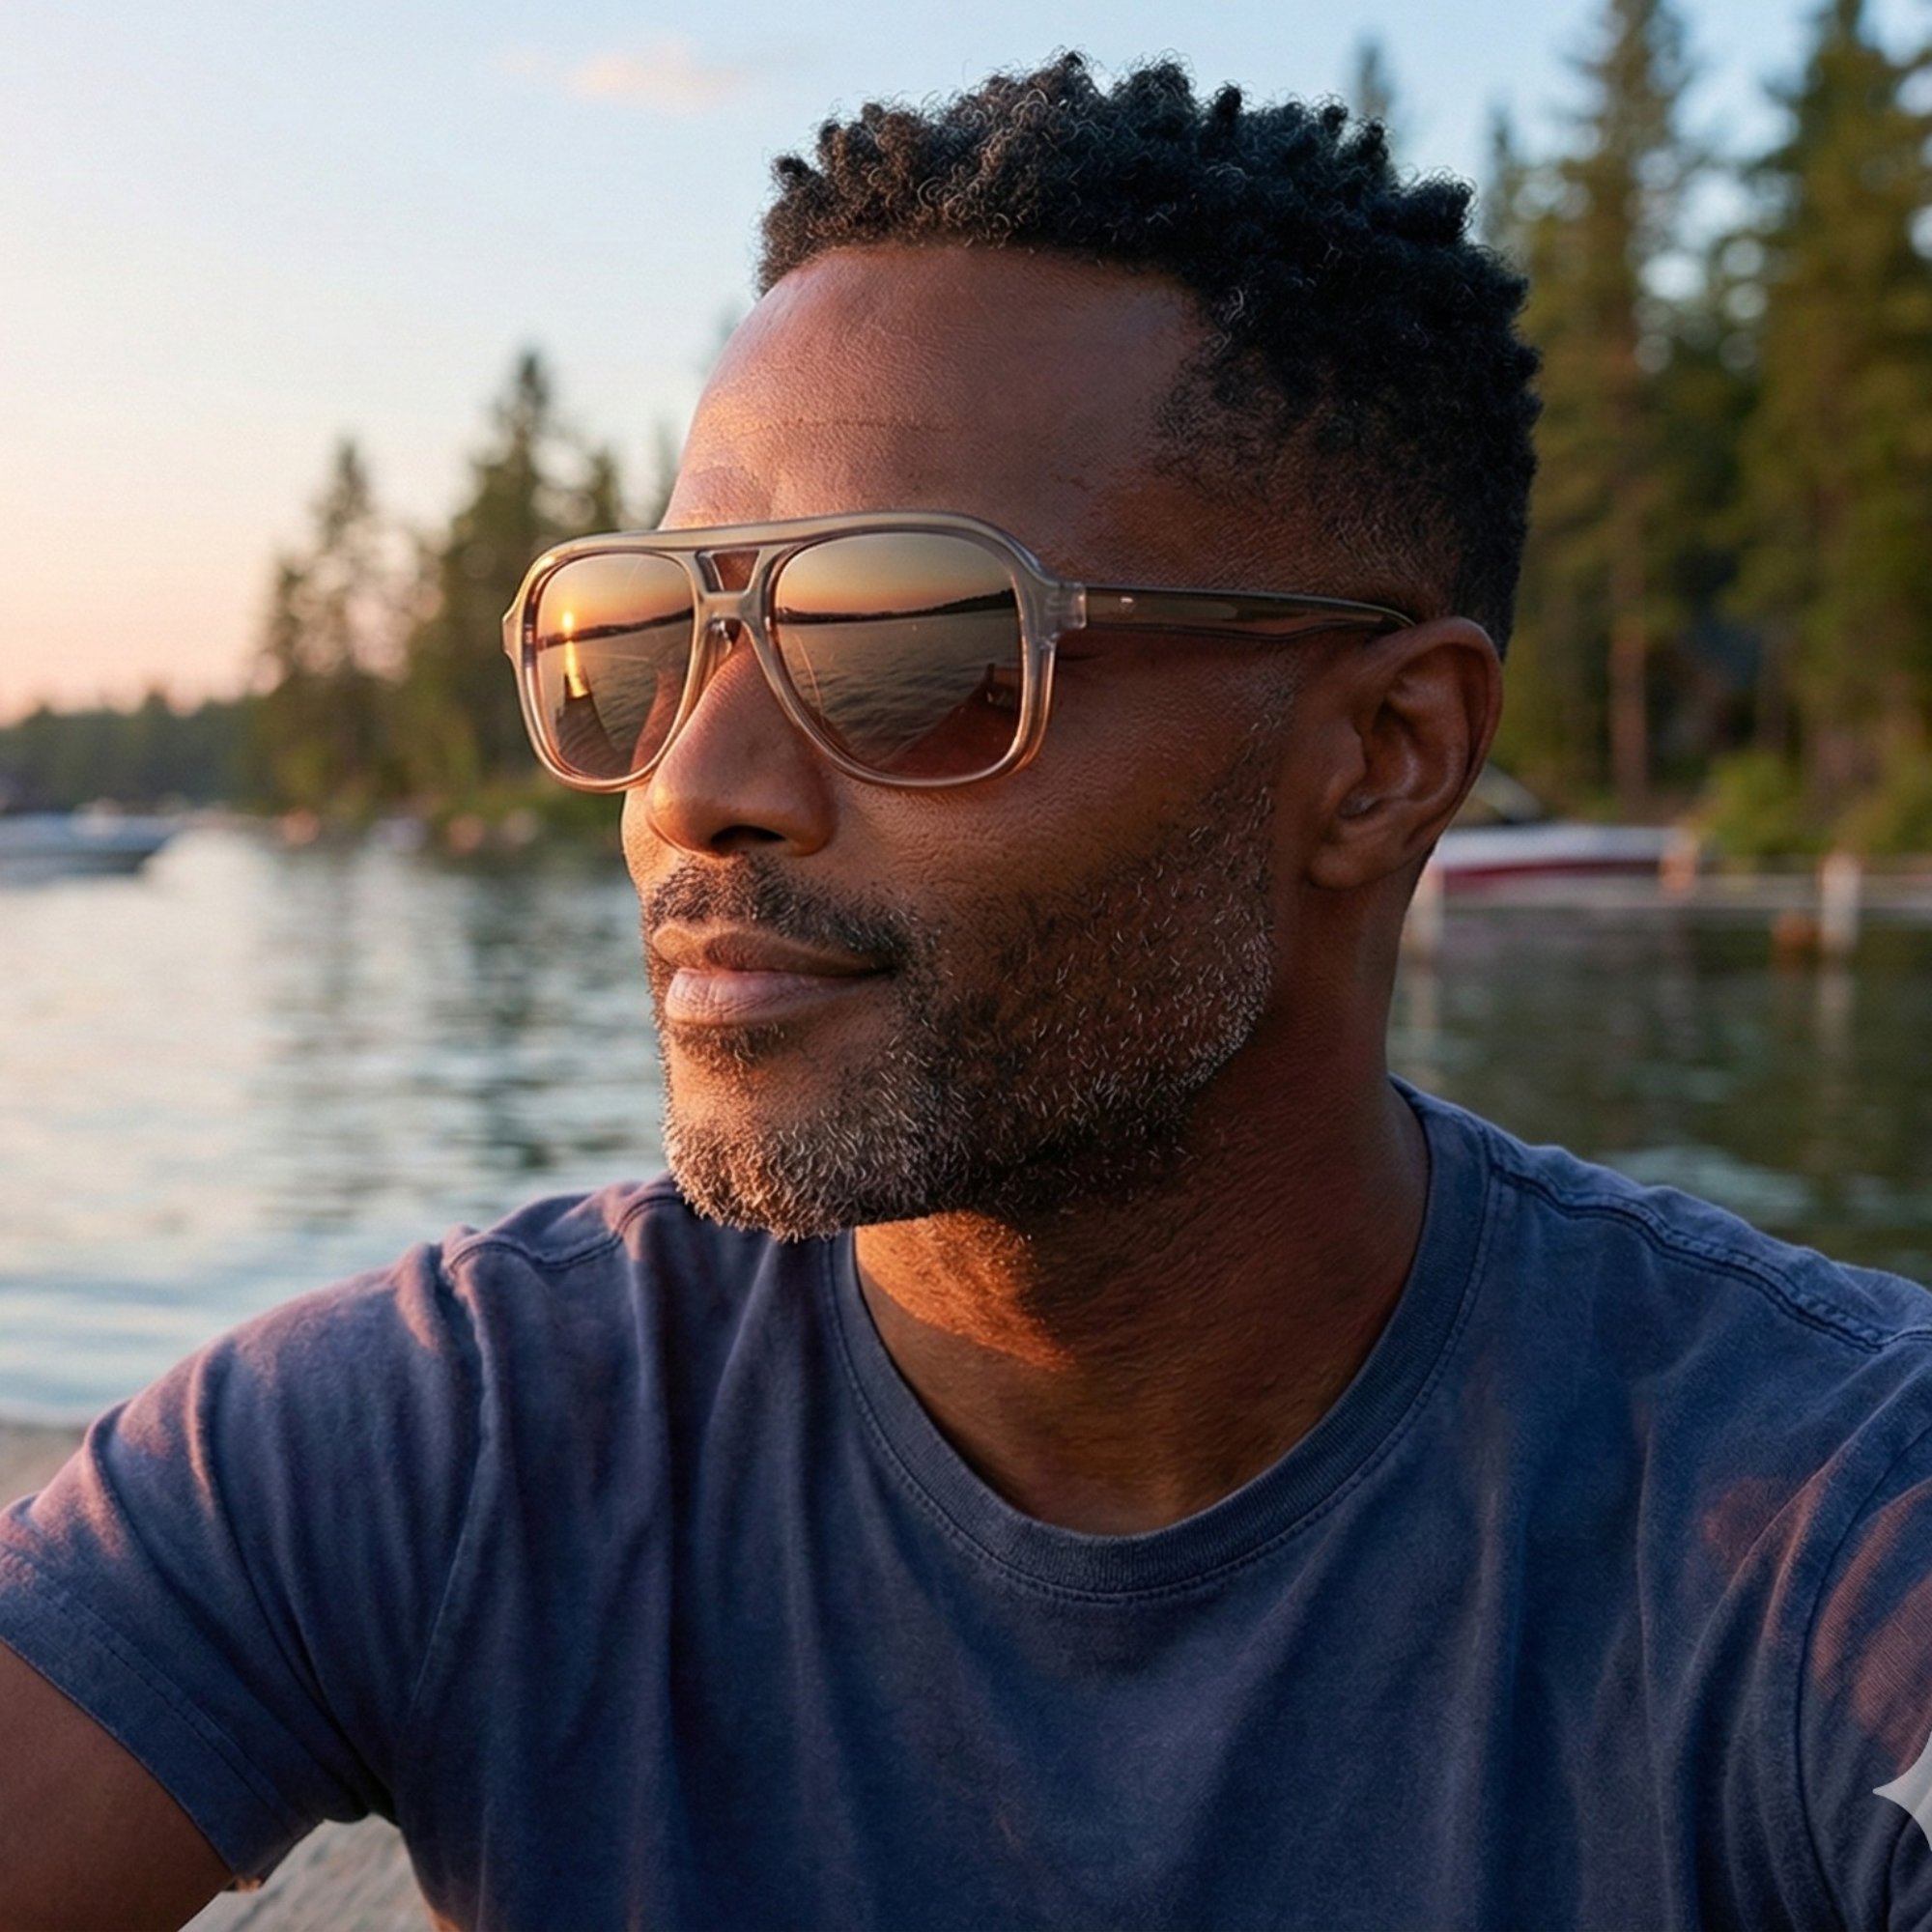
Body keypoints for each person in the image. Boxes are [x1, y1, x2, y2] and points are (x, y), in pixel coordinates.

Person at [4, 53, 1932, 1932]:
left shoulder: (1829, 1533)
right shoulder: (435, 1447)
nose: (692, 780)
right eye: (641, 636)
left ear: (1381, 754)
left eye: (904, 639)